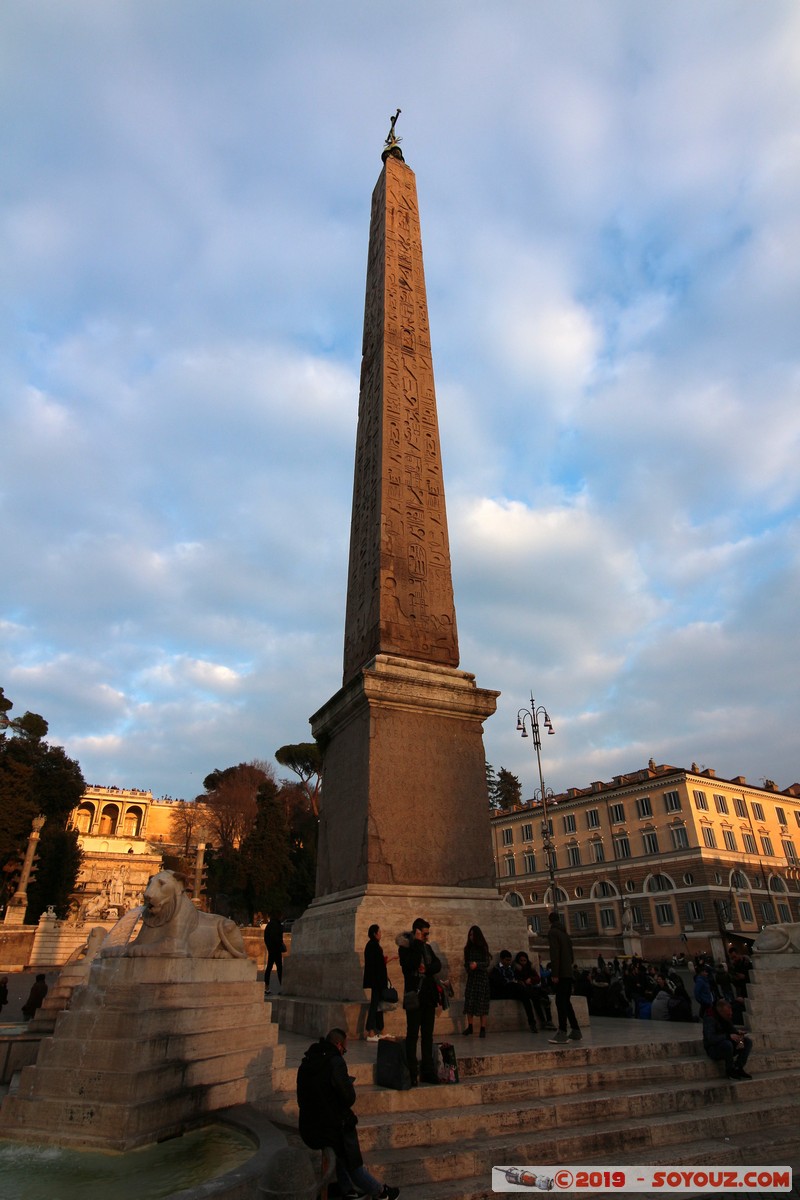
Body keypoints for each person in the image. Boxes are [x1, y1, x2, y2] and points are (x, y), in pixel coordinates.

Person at [296, 1027, 400, 1199]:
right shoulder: (335, 1062)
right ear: (338, 1045)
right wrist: (348, 1086)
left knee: (340, 1140)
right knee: (349, 1149)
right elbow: (348, 1098)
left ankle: (347, 1189)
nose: (344, 1052)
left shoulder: (308, 1059)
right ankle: (380, 1192)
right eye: (344, 1048)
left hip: (307, 1127)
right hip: (327, 1129)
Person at [396, 917, 441, 1086]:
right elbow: (411, 964)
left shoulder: (427, 948)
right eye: (425, 934)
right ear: (416, 932)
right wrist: (416, 943)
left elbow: (437, 965)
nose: (427, 937)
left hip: (428, 997)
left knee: (427, 1036)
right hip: (414, 996)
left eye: (428, 934)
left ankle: (428, 1071)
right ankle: (412, 1072)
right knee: (412, 1035)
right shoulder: (406, 948)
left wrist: (427, 968)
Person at [547, 912, 581, 1043]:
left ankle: (562, 1032)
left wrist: (555, 973)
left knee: (560, 1002)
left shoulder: (553, 933)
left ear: (550, 921)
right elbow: (571, 957)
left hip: (560, 973)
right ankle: (576, 1030)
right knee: (566, 1002)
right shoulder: (565, 935)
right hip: (568, 973)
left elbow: (554, 954)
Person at [702, 999, 753, 1080]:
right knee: (727, 1044)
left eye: (730, 1014)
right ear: (721, 1012)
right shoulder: (710, 1018)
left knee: (746, 1041)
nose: (730, 1016)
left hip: (728, 1045)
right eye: (728, 1014)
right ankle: (730, 1070)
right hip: (714, 1049)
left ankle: (738, 1067)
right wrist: (728, 1036)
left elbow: (731, 1030)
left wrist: (738, 1033)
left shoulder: (726, 1018)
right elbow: (710, 1038)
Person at [489, 951, 537, 1031]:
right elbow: (498, 983)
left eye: (509, 960)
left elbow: (518, 977)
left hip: (514, 990)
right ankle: (532, 995)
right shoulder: (496, 969)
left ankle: (532, 1023)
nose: (508, 962)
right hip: (503, 991)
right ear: (501, 959)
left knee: (525, 998)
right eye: (507, 960)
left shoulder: (511, 968)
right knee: (520, 989)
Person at [512, 952, 555, 1030]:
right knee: (536, 1000)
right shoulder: (515, 968)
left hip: (532, 988)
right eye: (521, 960)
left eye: (524, 960)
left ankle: (549, 1021)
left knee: (545, 997)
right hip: (524, 990)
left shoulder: (529, 967)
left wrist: (531, 979)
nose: (523, 962)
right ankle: (542, 1022)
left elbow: (537, 978)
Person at [462, 925, 491, 1037]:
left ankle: (482, 1028)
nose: (471, 937)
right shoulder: (467, 949)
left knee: (482, 1003)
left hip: (481, 978)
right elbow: (466, 963)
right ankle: (470, 1026)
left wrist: (477, 965)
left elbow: (487, 963)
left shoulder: (483, 947)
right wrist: (469, 967)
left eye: (473, 935)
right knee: (469, 1002)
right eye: (470, 935)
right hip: (472, 977)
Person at [363, 924, 389, 1042]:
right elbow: (377, 965)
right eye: (379, 932)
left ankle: (380, 1029)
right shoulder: (373, 946)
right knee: (375, 1005)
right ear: (374, 933)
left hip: (376, 980)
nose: (380, 934)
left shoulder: (372, 945)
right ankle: (370, 1031)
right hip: (377, 980)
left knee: (378, 1005)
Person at [263, 914, 286, 997]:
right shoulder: (277, 925)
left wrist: (269, 947)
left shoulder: (269, 925)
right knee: (280, 969)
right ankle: (282, 988)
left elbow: (266, 938)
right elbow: (278, 938)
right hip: (276, 950)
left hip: (271, 950)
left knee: (269, 968)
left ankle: (266, 988)